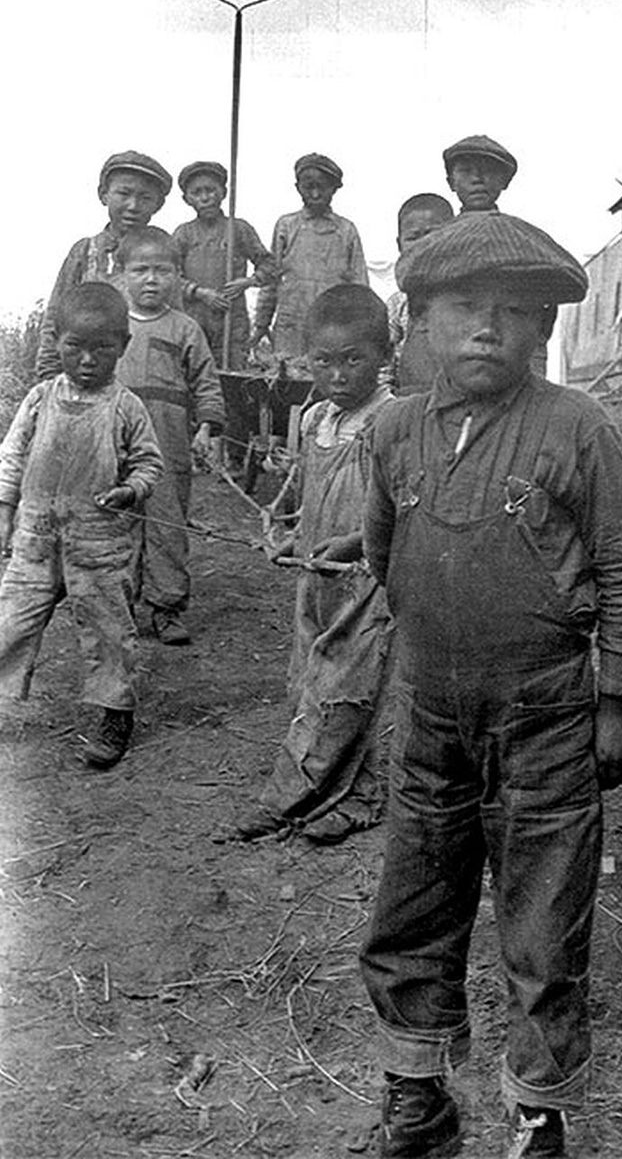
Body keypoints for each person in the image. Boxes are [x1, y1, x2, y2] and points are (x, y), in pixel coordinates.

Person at [358, 212, 622, 1158]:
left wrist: (615, 705)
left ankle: (538, 1111)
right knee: (414, 906)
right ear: (421, 323)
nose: (486, 328)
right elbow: (383, 555)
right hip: (434, 713)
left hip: (549, 719)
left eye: (512, 313)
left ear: (543, 331)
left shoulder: (577, 427)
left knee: (543, 922)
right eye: (462, 309)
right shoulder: (394, 431)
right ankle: (418, 1094)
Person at [236, 284, 395, 844]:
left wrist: (354, 543)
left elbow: (399, 509)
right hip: (316, 577)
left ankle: (284, 800)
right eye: (323, 362)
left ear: (385, 354)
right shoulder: (312, 421)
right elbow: (305, 497)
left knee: (346, 687)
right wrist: (287, 538)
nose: (338, 375)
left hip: (366, 581)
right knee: (311, 681)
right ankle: (352, 796)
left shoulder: (391, 423)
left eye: (354, 360)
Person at [0, 283, 164, 767]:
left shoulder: (127, 407)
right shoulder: (39, 399)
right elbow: (12, 459)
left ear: (123, 347)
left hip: (99, 544)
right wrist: (4, 513)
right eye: (75, 347)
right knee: (7, 624)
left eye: (102, 348)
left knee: (110, 629)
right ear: (57, 344)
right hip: (35, 539)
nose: (88, 360)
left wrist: (130, 490)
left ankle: (115, 715)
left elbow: (150, 465)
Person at [115, 227, 226, 646]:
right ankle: (119, 604)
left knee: (166, 523)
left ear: (178, 276)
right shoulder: (113, 325)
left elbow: (206, 383)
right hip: (117, 443)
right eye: (140, 270)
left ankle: (167, 608)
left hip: (168, 443)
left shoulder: (185, 328)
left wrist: (206, 427)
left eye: (162, 270)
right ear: (122, 273)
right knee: (118, 522)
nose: (151, 279)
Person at [35, 150, 173, 380]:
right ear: (104, 195)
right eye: (124, 193)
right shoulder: (85, 252)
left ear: (158, 205)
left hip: (147, 386)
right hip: (86, 383)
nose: (133, 205)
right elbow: (55, 318)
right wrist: (49, 379)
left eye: (145, 198)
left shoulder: (166, 257)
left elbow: (178, 321)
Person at [251, 153, 369, 372]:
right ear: (298, 187)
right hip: (290, 328)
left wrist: (360, 331)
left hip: (332, 327)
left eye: (322, 187)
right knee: (284, 386)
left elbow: (360, 287)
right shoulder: (286, 226)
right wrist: (261, 324)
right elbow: (270, 279)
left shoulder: (346, 231)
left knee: (326, 386)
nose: (315, 193)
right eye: (309, 187)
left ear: (334, 188)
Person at [172, 160, 277, 371]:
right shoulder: (183, 234)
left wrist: (248, 281)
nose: (205, 198)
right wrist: (200, 293)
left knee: (232, 374)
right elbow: (171, 275)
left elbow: (270, 264)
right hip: (193, 318)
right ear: (187, 199)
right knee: (192, 372)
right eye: (197, 192)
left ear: (223, 192)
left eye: (210, 190)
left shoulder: (238, 229)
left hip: (231, 318)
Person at [385, 193, 454, 395]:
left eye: (432, 234)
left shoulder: (464, 298)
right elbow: (383, 363)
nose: (423, 244)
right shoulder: (398, 304)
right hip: (407, 406)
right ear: (399, 245)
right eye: (413, 237)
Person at [442, 134, 518, 214]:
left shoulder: (519, 226)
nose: (477, 179)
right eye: (466, 171)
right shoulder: (441, 226)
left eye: (488, 170)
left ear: (504, 180)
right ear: (451, 182)